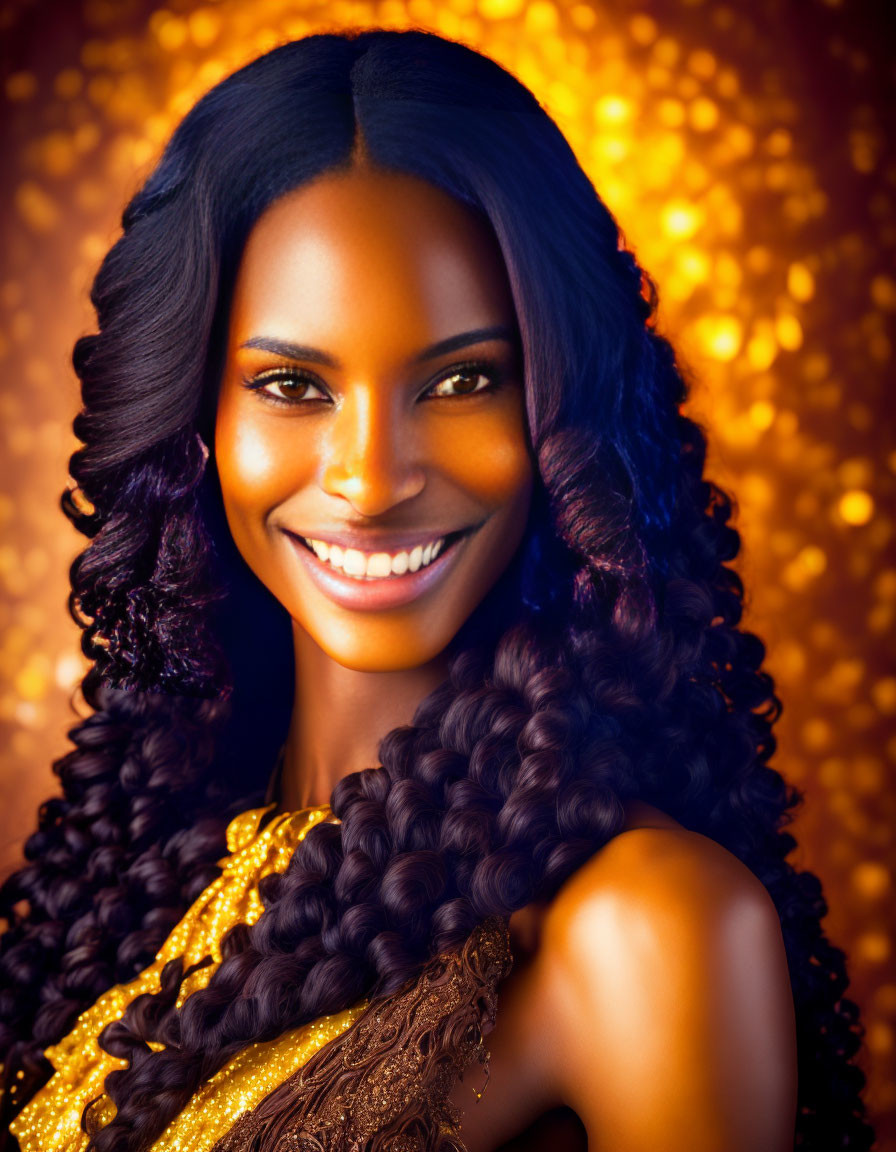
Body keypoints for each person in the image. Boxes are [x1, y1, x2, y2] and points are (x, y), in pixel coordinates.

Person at [0, 27, 873, 1152]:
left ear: (560, 417)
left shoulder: (647, 927)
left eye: (461, 380)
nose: (370, 479)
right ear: (196, 423)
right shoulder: (139, 876)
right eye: (292, 385)